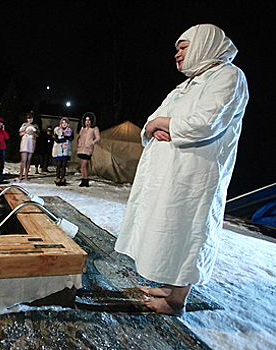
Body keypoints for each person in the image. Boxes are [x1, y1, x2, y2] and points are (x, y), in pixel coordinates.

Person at [114, 24, 249, 316]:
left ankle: (176, 301)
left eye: (183, 47)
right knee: (167, 230)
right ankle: (169, 286)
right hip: (166, 176)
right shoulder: (185, 85)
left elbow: (205, 123)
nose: (176, 54)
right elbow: (153, 120)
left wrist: (165, 124)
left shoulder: (229, 76)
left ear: (203, 44)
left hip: (195, 177)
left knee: (188, 231)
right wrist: (154, 126)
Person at [76, 112, 100, 187]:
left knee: (84, 165)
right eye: (86, 120)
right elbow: (79, 136)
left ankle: (86, 180)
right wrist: (79, 142)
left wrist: (92, 142)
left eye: (89, 120)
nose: (87, 122)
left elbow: (98, 137)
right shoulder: (83, 128)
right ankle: (83, 179)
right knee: (82, 166)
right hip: (81, 148)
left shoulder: (94, 128)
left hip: (88, 149)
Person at [16, 113, 39, 182]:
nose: (30, 120)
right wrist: (25, 132)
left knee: (28, 161)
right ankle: (21, 175)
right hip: (24, 143)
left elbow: (37, 135)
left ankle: (26, 175)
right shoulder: (24, 125)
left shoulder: (35, 126)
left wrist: (33, 133)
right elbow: (20, 133)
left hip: (31, 143)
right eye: (28, 118)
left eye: (31, 118)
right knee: (23, 160)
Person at [52, 117, 74, 186]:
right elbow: (56, 139)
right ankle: (58, 178)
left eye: (65, 123)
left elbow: (71, 138)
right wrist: (64, 139)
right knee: (58, 164)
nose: (64, 124)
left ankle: (63, 178)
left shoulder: (70, 131)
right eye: (63, 123)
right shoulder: (57, 130)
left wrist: (65, 138)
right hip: (58, 149)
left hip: (66, 149)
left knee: (64, 165)